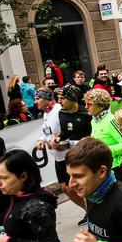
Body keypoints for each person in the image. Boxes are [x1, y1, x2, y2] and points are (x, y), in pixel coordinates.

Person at [51, 84, 92, 212]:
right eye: (58, 98)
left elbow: (94, 132)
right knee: (64, 187)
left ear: (72, 98)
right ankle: (87, 210)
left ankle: (92, 211)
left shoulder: (86, 113)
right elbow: (65, 132)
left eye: (62, 98)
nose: (59, 101)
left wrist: (87, 141)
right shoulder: (61, 113)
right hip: (68, 153)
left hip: (85, 153)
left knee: (83, 186)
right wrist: (58, 138)